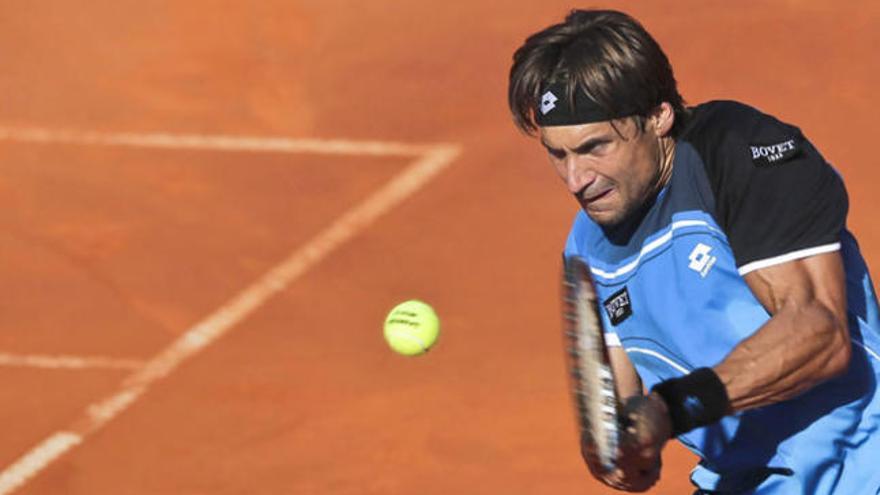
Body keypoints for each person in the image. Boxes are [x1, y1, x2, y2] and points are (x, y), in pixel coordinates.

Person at [508, 9, 880, 494]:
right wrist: (624, 452)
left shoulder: (738, 152)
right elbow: (622, 418)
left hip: (861, 469)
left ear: (658, 116)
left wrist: (670, 408)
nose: (576, 180)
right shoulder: (587, 246)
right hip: (740, 482)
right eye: (558, 155)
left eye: (594, 147)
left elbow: (819, 334)